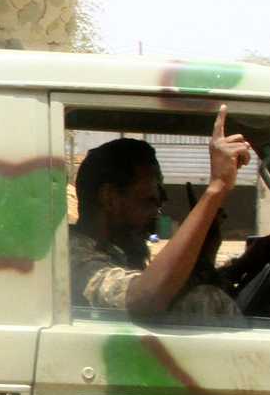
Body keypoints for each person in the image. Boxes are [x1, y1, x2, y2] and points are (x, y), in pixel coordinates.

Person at [71, 113, 252, 320]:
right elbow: (143, 299)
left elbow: (170, 289)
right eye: (150, 198)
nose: (159, 206)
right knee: (206, 300)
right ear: (110, 198)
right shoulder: (72, 256)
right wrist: (216, 188)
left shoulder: (118, 250)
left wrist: (234, 262)